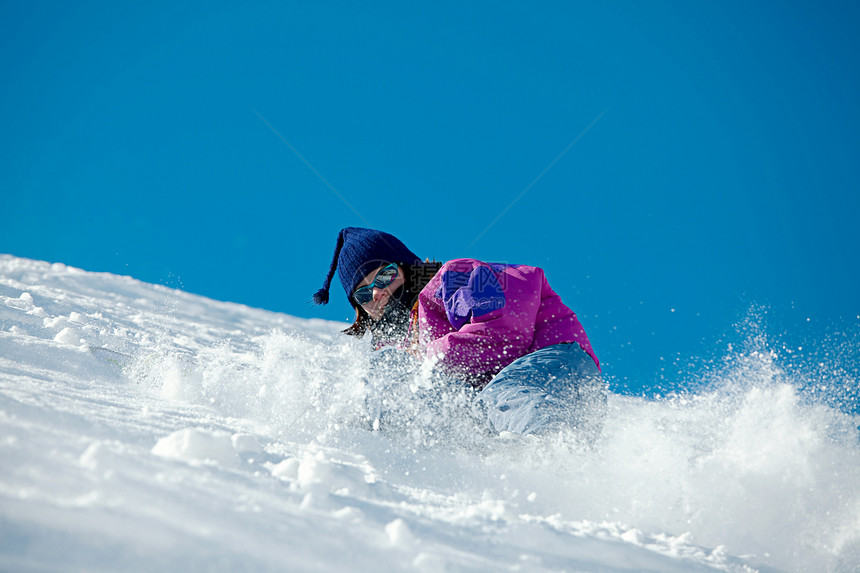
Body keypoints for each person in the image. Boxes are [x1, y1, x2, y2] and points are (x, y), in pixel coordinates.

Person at [313, 227, 606, 438]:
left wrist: (426, 361)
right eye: (363, 294)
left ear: (408, 268)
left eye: (385, 275)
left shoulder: (450, 279)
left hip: (551, 361)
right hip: (513, 399)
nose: (377, 293)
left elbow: (503, 333)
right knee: (400, 379)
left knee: (502, 399)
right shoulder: (407, 339)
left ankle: (547, 456)